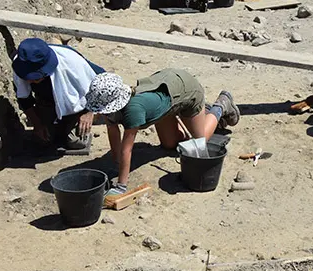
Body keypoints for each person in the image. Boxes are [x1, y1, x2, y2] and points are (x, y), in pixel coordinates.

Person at [85, 69, 240, 196]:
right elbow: (112, 131)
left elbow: (127, 149)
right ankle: (198, 115)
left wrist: (121, 186)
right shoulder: (113, 110)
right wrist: (116, 164)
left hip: (187, 91)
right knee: (170, 144)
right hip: (167, 100)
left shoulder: (133, 110)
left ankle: (220, 106)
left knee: (199, 144)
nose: (101, 114)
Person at [12, 38, 105, 156]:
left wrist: (89, 112)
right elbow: (24, 98)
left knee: (75, 142)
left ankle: (67, 127)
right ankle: (57, 128)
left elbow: (103, 81)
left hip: (77, 105)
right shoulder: (21, 66)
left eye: (35, 78)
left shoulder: (72, 61)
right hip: (47, 103)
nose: (30, 81)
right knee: (42, 141)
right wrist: (37, 124)